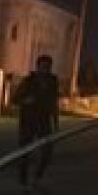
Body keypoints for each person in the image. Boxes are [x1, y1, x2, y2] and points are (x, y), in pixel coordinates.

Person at [15, 54, 60, 187]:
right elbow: (15, 99)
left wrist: (56, 123)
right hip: (28, 121)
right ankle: (23, 181)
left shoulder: (53, 82)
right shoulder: (28, 81)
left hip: (44, 121)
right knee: (25, 152)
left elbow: (54, 103)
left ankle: (37, 178)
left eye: (47, 67)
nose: (45, 70)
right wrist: (25, 100)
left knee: (47, 151)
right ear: (38, 67)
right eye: (42, 67)